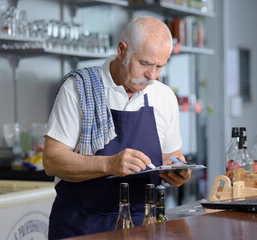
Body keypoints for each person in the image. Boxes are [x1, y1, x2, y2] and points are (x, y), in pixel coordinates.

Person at [43, 16, 191, 239]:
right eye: (145, 64)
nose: (152, 76)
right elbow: (52, 160)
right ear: (122, 50)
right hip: (82, 224)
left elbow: (171, 154)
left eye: (160, 66)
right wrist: (108, 164)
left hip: (143, 226)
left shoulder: (163, 96)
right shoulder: (78, 88)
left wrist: (177, 169)